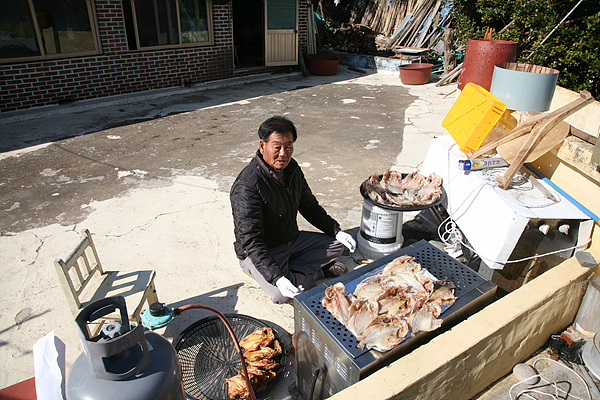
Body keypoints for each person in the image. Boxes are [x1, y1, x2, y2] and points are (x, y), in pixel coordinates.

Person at [230, 115, 356, 304]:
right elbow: (251, 240)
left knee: (340, 245)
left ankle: (295, 273)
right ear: (262, 146)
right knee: (280, 294)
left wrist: (336, 231)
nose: (283, 153)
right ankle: (312, 272)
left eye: (288, 146)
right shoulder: (247, 185)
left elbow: (309, 206)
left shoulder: (292, 169)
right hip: (263, 250)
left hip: (291, 239)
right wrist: (277, 278)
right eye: (277, 146)